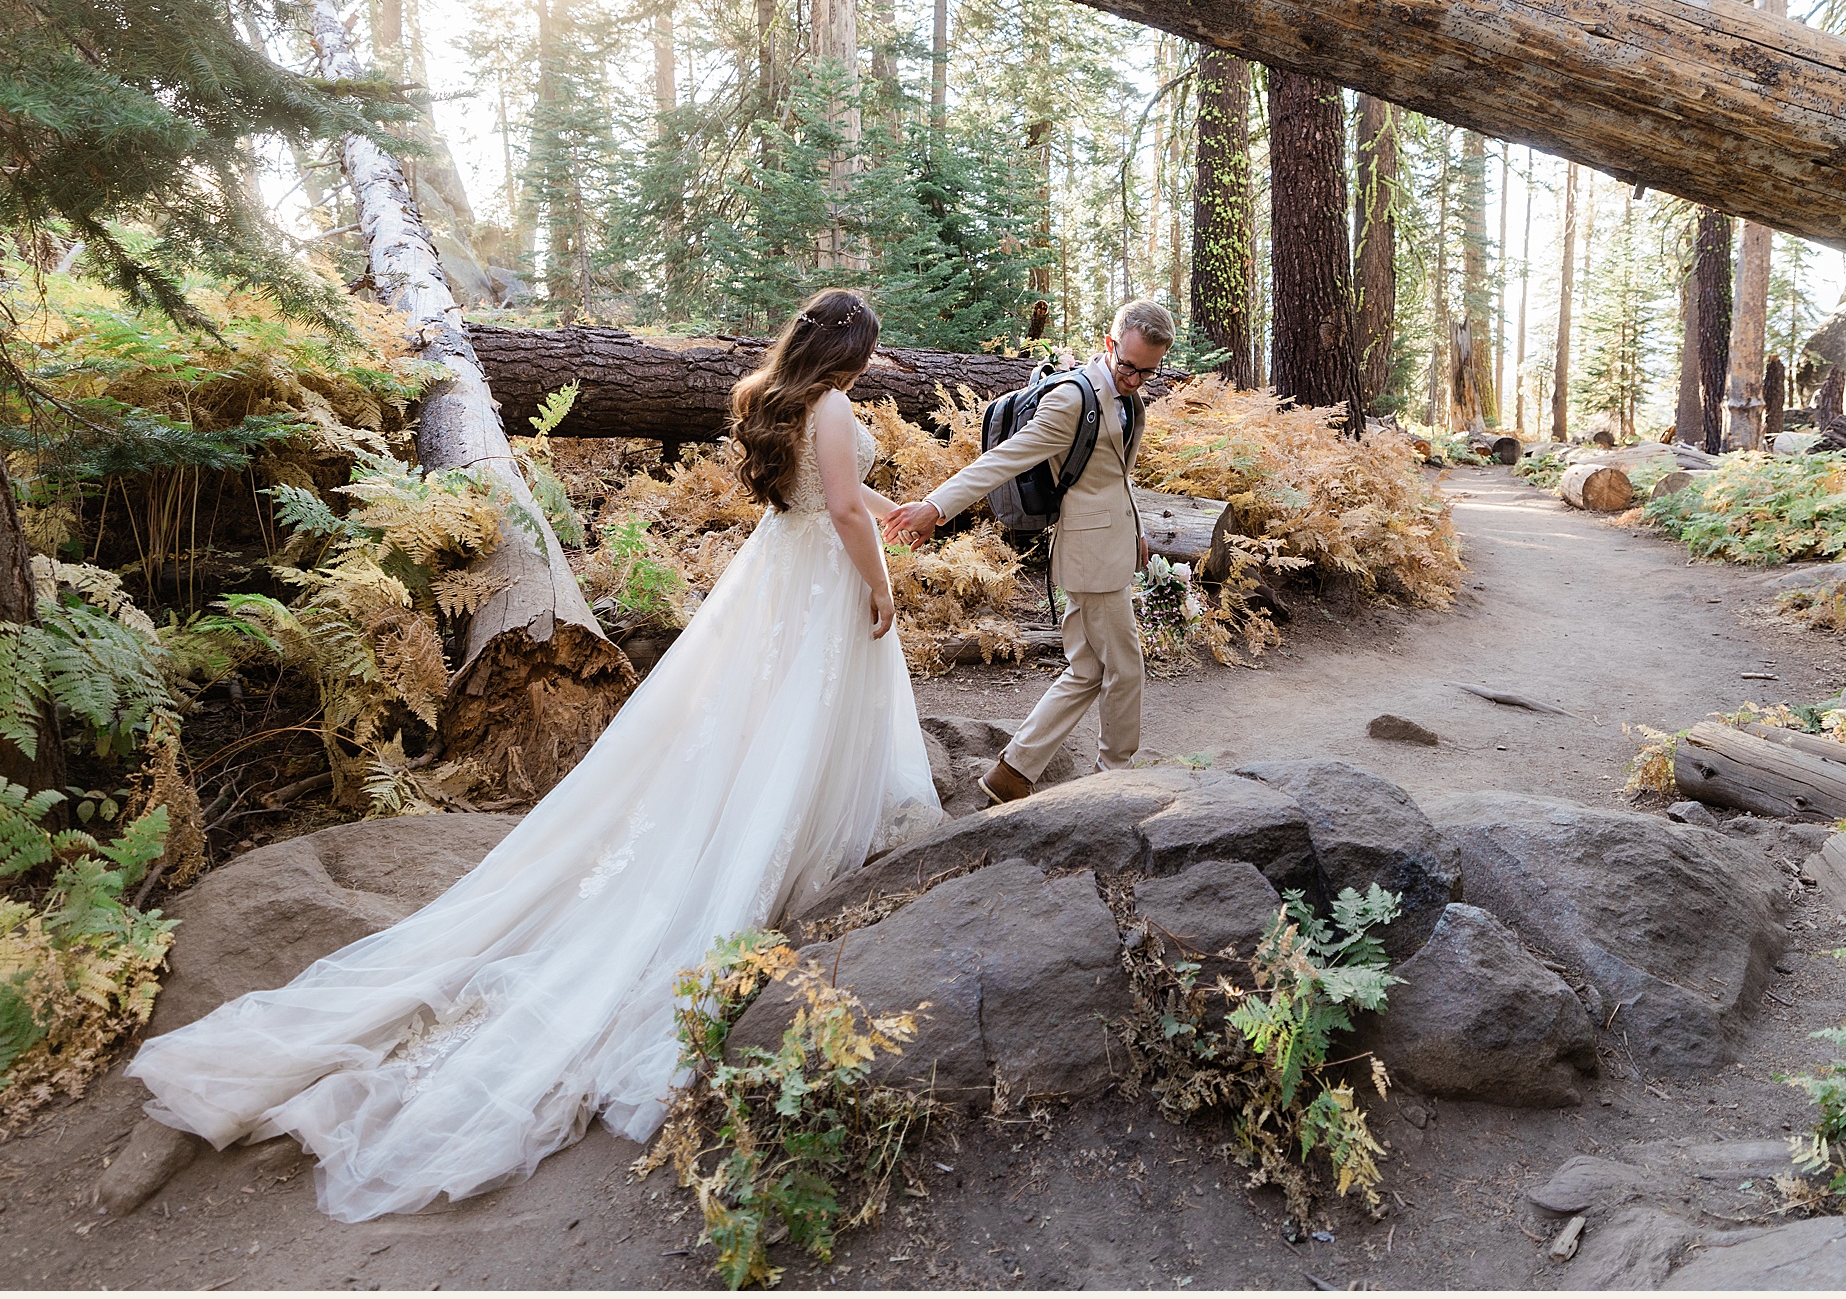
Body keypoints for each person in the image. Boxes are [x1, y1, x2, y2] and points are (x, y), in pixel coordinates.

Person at [127, 289, 942, 1222]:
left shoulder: (777, 399)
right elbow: (837, 509)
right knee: (798, 723)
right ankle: (775, 854)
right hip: (820, 581)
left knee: (762, 725)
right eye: (871, 352)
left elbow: (826, 492)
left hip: (775, 577)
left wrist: (901, 508)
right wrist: (881, 585)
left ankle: (765, 826)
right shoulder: (832, 405)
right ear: (853, 352)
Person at [883, 300, 1173, 802]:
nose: (1135, 378)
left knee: (1087, 669)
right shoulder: (1070, 401)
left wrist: (1137, 530)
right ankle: (1116, 778)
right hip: (1090, 556)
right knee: (1125, 669)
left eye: (1147, 371)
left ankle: (1012, 773)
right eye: (1128, 366)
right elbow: (1001, 460)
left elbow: (1115, 477)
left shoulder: (1129, 398)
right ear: (1109, 345)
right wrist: (935, 507)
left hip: (1111, 545)